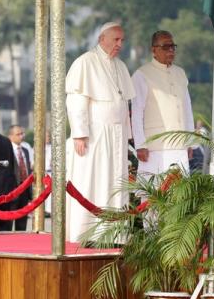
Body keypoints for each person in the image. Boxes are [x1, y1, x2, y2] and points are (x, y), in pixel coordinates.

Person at [65, 22, 135, 242]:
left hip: (117, 135)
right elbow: (76, 99)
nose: (120, 44)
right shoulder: (85, 62)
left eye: (122, 40)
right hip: (94, 135)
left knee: (117, 181)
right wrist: (79, 133)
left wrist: (128, 135)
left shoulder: (121, 66)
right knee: (92, 180)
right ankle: (86, 232)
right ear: (101, 39)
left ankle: (117, 234)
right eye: (116, 40)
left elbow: (125, 104)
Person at [131, 30, 194, 177]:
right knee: (154, 195)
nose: (171, 50)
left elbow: (187, 108)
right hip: (154, 148)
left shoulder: (180, 73)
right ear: (154, 50)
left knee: (180, 195)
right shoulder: (142, 74)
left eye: (173, 46)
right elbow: (137, 112)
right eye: (166, 47)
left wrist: (191, 141)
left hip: (180, 145)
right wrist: (140, 145)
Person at [8, 125, 32, 231]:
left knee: (22, 221)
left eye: (22, 134)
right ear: (11, 136)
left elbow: (28, 168)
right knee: (9, 220)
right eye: (18, 134)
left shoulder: (26, 150)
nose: (21, 136)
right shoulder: (7, 150)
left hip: (25, 189)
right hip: (12, 190)